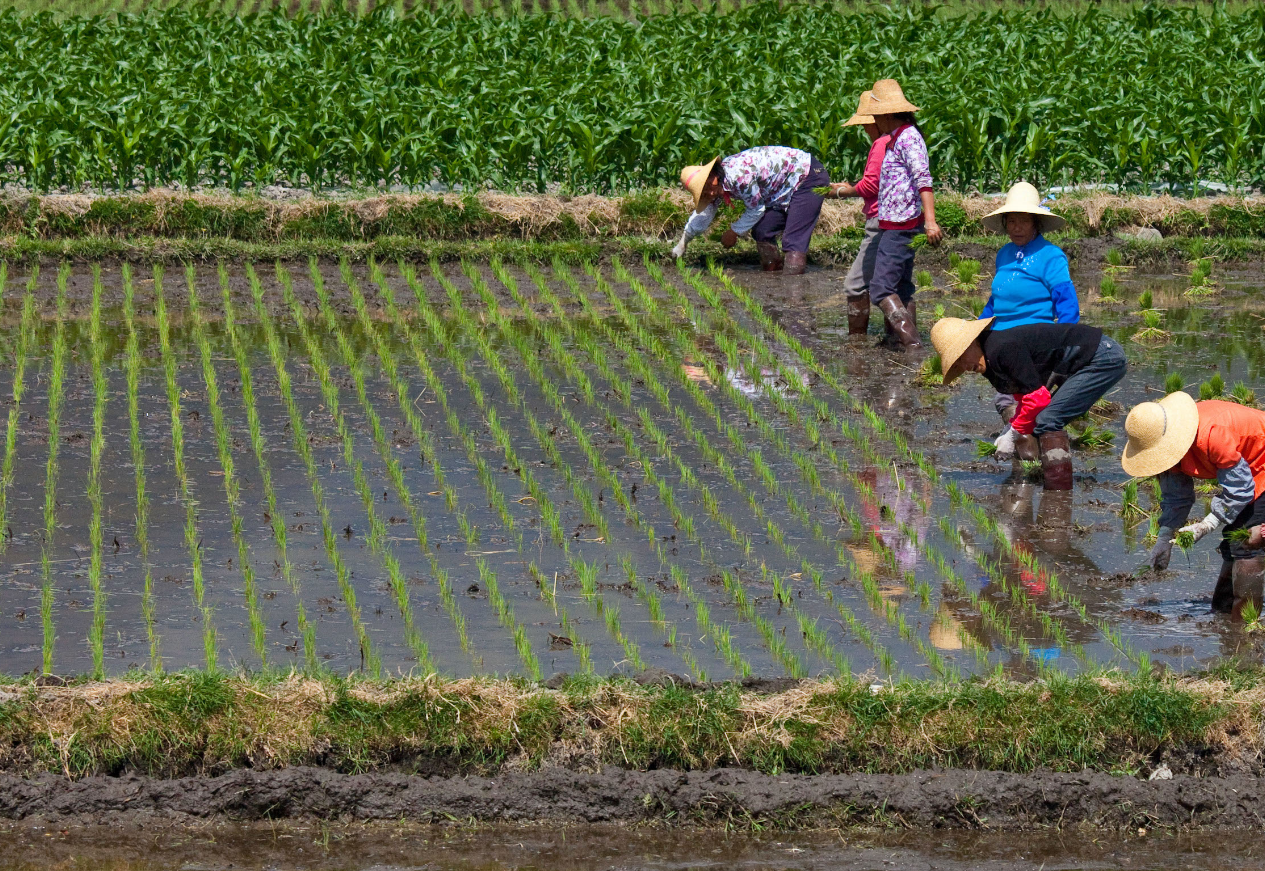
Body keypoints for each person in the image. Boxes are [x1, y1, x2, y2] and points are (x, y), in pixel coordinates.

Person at [930, 315, 1127, 490]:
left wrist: (1013, 433)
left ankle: (1058, 492)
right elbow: (1024, 396)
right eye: (958, 365)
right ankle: (1055, 482)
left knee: (1048, 419)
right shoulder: (988, 361)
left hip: (1102, 357)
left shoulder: (1001, 348)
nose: (965, 367)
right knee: (1044, 418)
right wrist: (1010, 428)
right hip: (1081, 362)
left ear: (972, 341)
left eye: (962, 357)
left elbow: (1039, 398)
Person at [1121, 393, 1265, 617]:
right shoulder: (1170, 452)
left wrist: (1207, 524)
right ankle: (1224, 614)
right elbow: (1177, 497)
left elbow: (1241, 489)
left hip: (1261, 463)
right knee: (1232, 542)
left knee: (1246, 541)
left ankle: (1246, 625)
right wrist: (1164, 539)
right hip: (1249, 471)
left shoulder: (1211, 435)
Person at [978, 181, 1080, 459]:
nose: (1016, 227)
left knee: (1036, 407)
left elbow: (1067, 304)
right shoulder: (1004, 255)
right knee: (1009, 403)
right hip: (1002, 344)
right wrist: (976, 331)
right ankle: (1023, 460)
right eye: (1011, 221)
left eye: (1023, 221)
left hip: (1034, 345)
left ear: (1036, 222)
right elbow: (995, 301)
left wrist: (1064, 349)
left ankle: (1048, 466)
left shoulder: (1051, 256)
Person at [866, 78, 943, 349]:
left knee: (881, 289)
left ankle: (912, 344)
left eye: (876, 113)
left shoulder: (908, 137)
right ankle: (897, 342)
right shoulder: (895, 139)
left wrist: (931, 221)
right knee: (901, 287)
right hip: (896, 222)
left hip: (902, 224)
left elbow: (923, 179)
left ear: (887, 113)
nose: (873, 118)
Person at [672, 146, 830, 275]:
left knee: (793, 241)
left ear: (713, 177)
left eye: (708, 188)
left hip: (807, 177)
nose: (710, 194)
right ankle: (773, 273)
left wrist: (733, 232)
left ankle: (793, 293)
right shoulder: (718, 184)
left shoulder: (739, 177)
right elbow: (704, 213)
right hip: (781, 190)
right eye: (704, 193)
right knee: (763, 230)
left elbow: (756, 210)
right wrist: (682, 243)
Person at [827, 90, 889, 337]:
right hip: (897, 219)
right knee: (895, 284)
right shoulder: (902, 139)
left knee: (855, 285)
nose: (865, 130)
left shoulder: (881, 144)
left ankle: (858, 341)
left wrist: (841, 191)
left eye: (866, 125)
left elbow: (871, 186)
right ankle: (896, 340)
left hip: (880, 220)